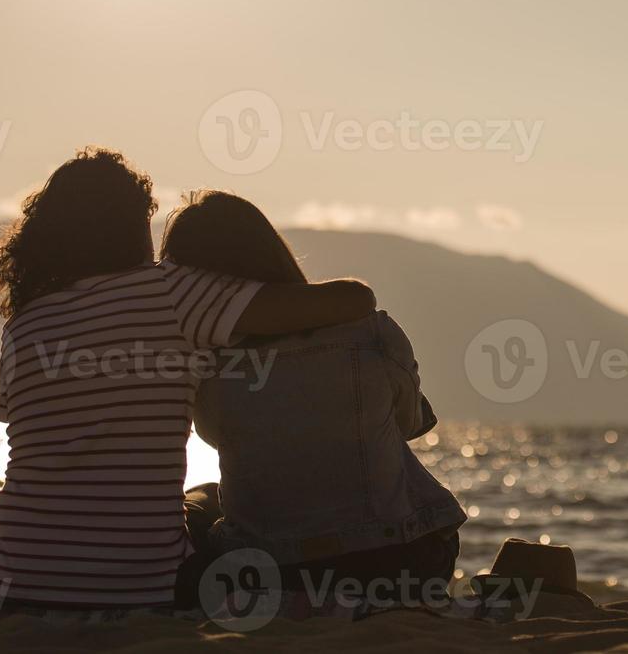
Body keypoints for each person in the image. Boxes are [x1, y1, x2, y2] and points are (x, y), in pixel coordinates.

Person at [0, 148, 377, 614]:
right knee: (211, 500)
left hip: (14, 594)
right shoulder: (175, 291)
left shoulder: (23, 322)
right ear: (135, 225)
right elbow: (352, 300)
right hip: (145, 593)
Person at [160, 190, 465, 610]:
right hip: (408, 562)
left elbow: (218, 438)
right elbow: (409, 425)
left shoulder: (205, 366)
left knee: (201, 500)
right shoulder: (372, 332)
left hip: (278, 572)